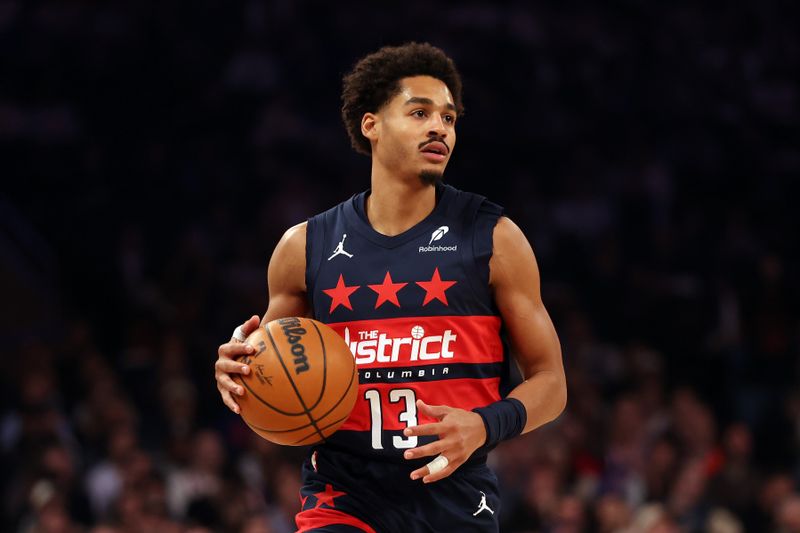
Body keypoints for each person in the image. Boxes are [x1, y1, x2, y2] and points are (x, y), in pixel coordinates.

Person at [215, 42, 567, 532]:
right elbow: (265, 369)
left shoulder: (493, 237)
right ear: (371, 125)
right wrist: (235, 369)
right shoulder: (305, 247)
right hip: (344, 493)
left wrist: (485, 424)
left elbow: (552, 384)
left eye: (448, 117)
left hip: (454, 496)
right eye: (419, 112)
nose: (439, 127)